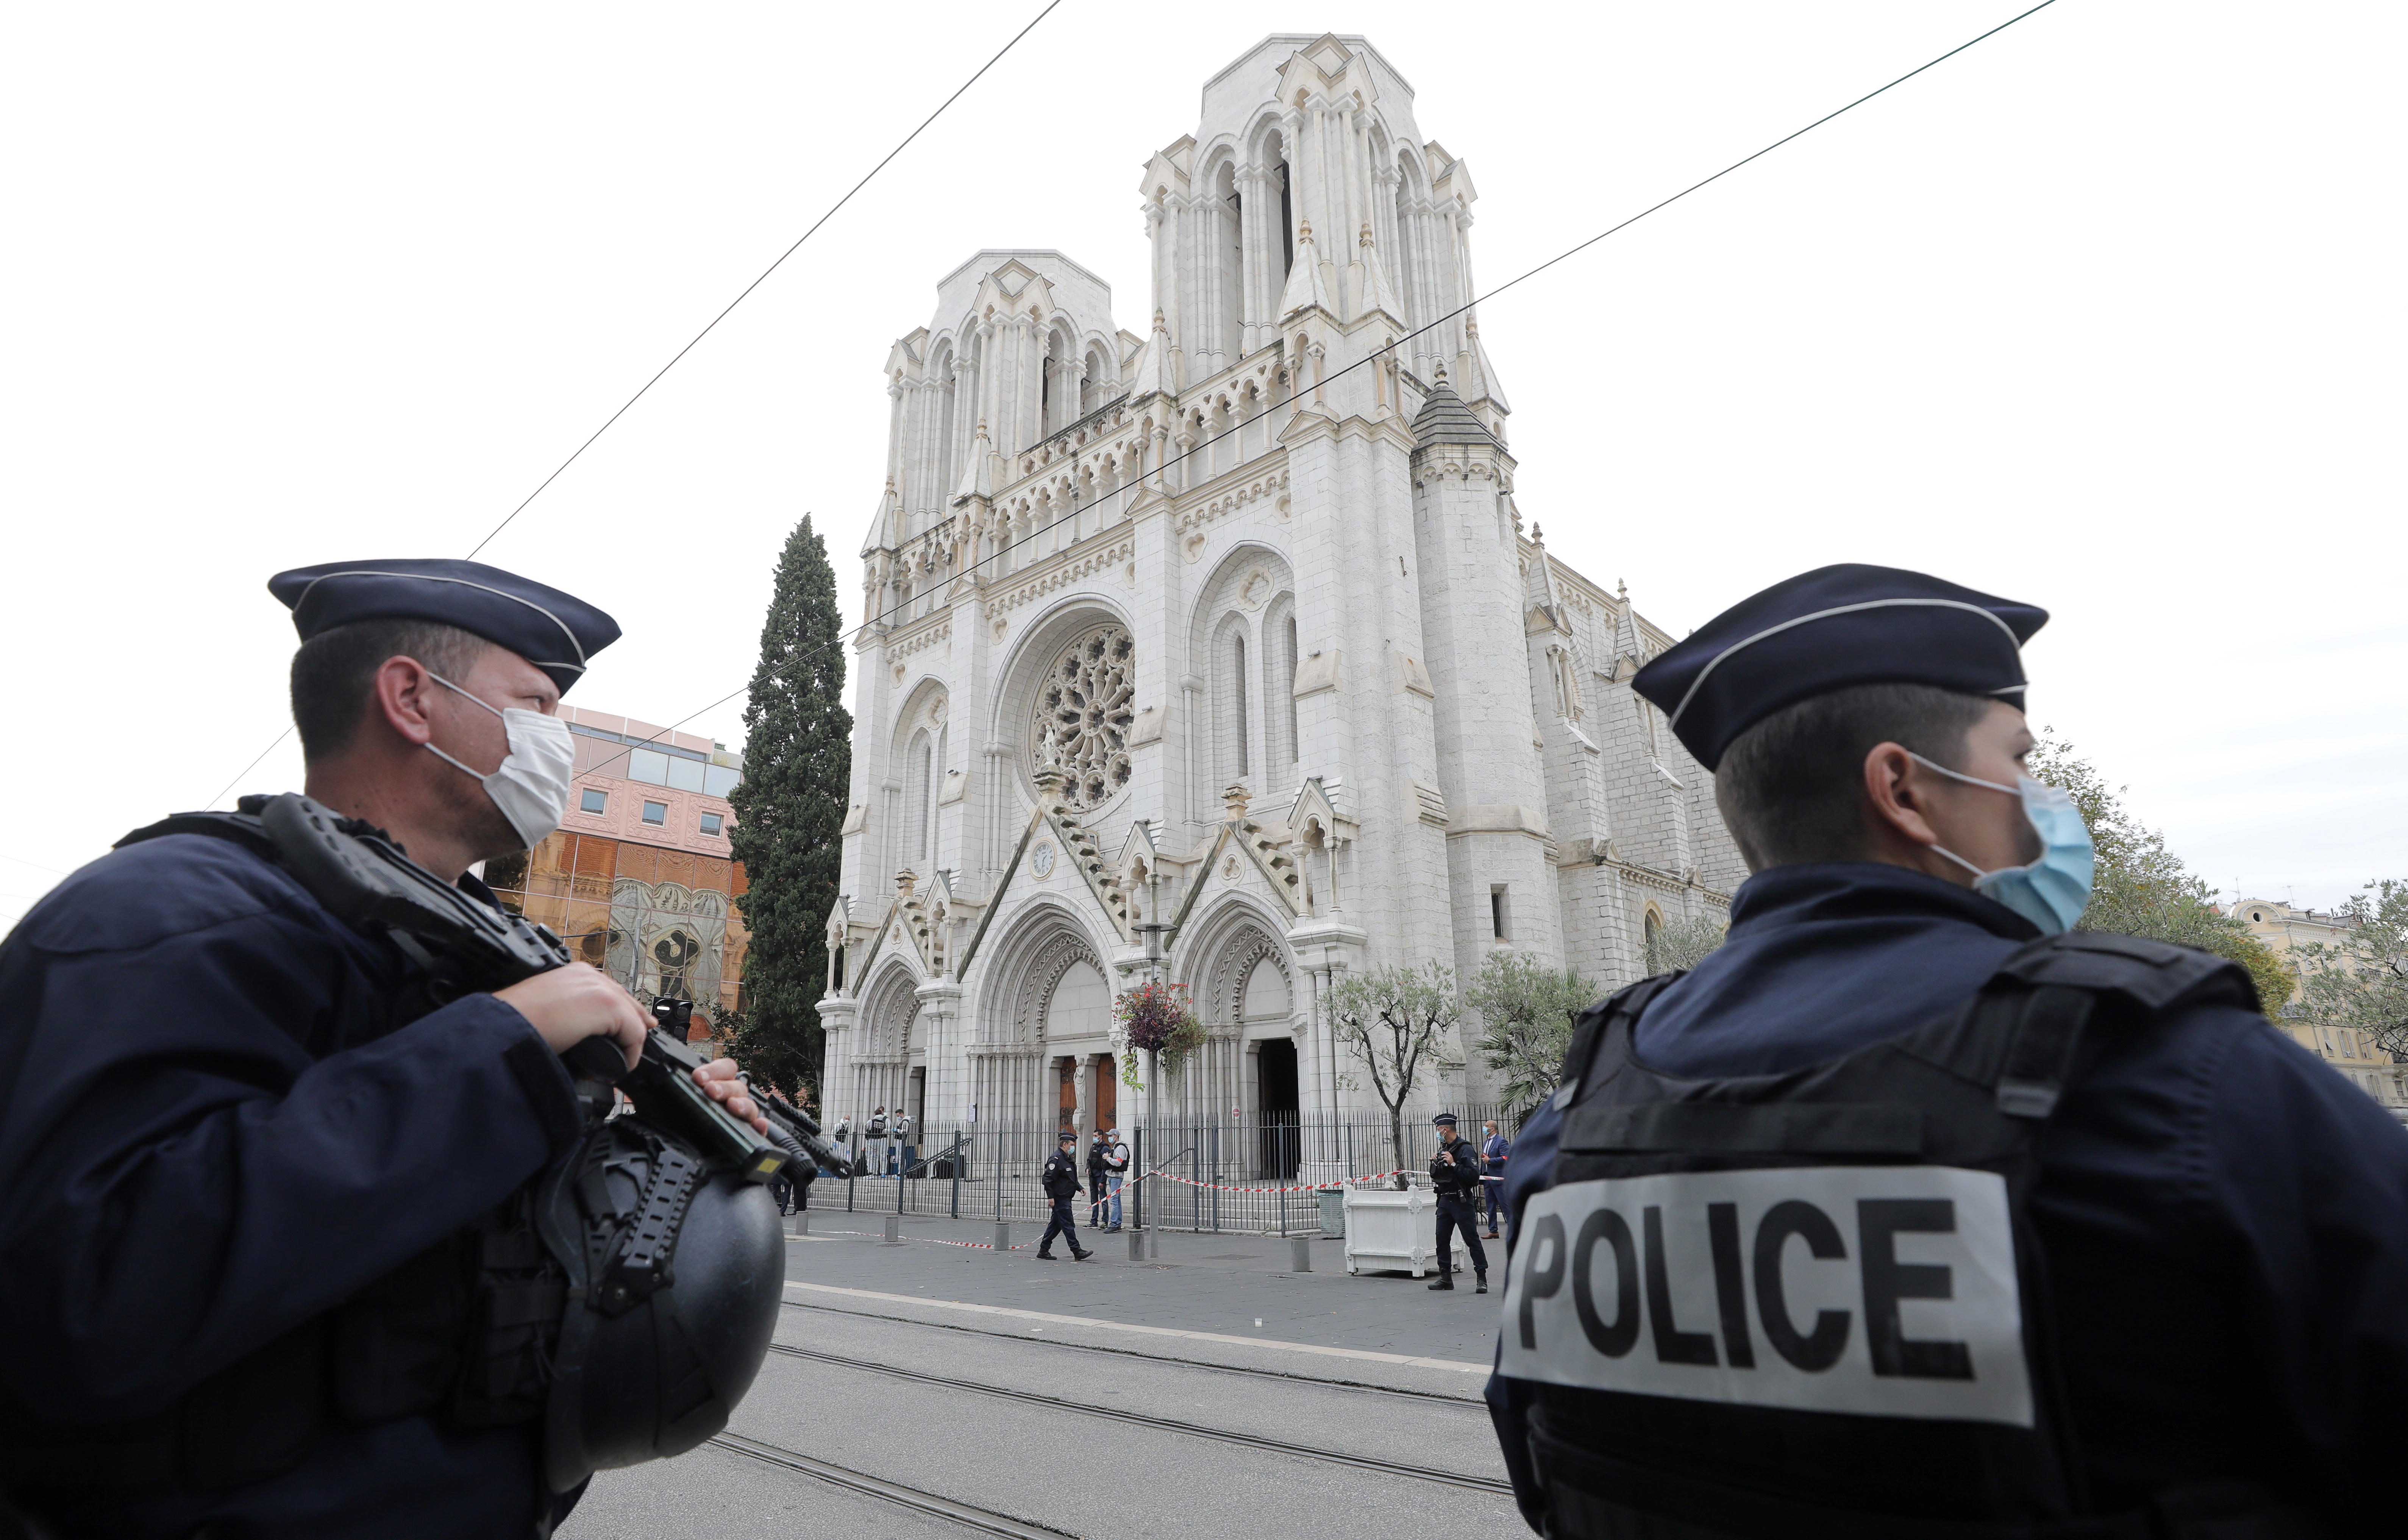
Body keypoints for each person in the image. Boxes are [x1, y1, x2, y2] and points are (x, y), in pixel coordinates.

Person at [1485, 564, 2408, 1539]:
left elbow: (1544, 1466)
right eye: (2016, 759)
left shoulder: (1572, 1128)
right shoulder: (2186, 1083)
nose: (2038, 800)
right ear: (1904, 789)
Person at [0, 558, 771, 1540]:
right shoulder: (167, 916)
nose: (559, 742)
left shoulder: (492, 957)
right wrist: (501, 1050)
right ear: (411, 697)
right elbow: (85, 1292)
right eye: (535, 704)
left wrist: (670, 1149)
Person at [1426, 1112, 1488, 1293]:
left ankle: (1481, 1278)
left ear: (1446, 1130)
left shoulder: (1465, 1149)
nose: (1438, 1134)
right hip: (1445, 1199)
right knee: (1442, 1239)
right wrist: (1435, 1163)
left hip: (1461, 1200)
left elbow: (1474, 1176)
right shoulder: (1443, 1149)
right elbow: (1438, 1177)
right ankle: (1445, 1278)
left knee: (1472, 1239)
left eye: (1439, 1130)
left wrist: (1454, 1164)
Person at [1037, 1130, 1095, 1262]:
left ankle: (1044, 1250)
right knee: (1068, 1225)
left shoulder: (1067, 1158)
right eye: (1072, 1145)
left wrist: (1079, 1187)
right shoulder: (1056, 1159)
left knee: (1056, 1225)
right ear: (1064, 1144)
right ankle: (1077, 1250)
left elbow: (1069, 1178)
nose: (1073, 1147)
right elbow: (1047, 1179)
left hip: (1066, 1197)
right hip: (1060, 1198)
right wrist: (1050, 1197)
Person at [1098, 1126, 1130, 1231]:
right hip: (1112, 1176)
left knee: (1115, 1200)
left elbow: (1118, 1162)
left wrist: (1108, 1159)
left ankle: (1114, 1224)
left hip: (1116, 1176)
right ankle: (1117, 1223)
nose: (1109, 1138)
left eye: (1111, 1136)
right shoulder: (1115, 1147)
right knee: (1117, 1200)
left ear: (1116, 1136)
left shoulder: (1120, 1148)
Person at [893, 1106, 916, 1177]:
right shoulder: (903, 1121)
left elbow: (904, 1132)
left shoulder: (905, 1122)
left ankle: (901, 1172)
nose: (898, 1117)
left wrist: (897, 1130)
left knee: (901, 1157)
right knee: (899, 1157)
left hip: (901, 1141)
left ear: (901, 1114)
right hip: (899, 1140)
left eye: (898, 1116)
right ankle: (900, 1172)